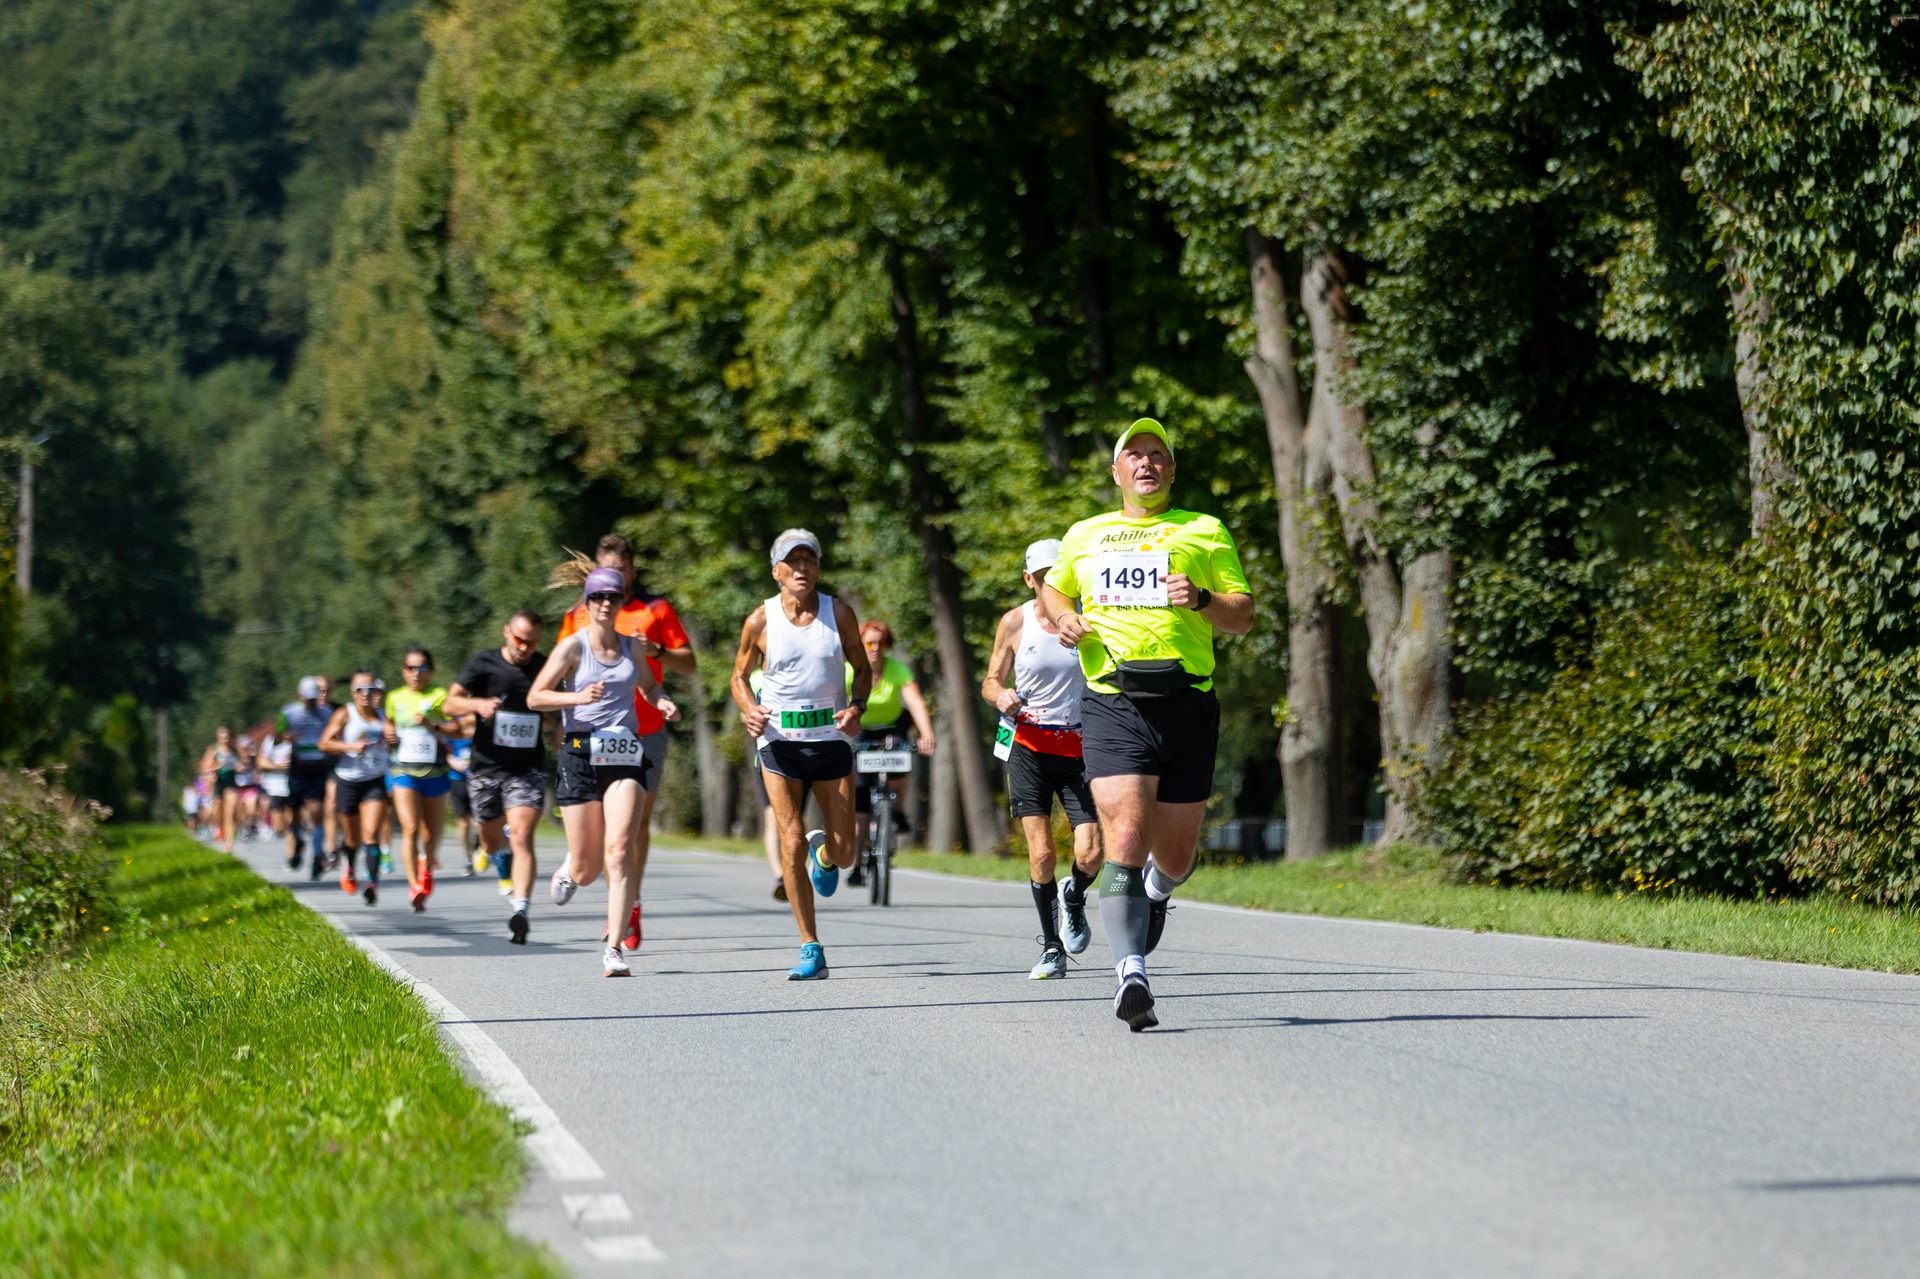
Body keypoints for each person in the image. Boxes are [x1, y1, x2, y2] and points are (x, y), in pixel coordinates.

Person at [1038, 418, 1255, 1030]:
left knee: (1176, 857)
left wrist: (1204, 600)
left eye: (1157, 454)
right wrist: (1064, 617)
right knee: (1127, 834)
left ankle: (1158, 891)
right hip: (1114, 702)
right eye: (1133, 455)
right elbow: (1054, 592)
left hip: (1187, 703)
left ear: (1172, 469)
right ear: (1116, 472)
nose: (1145, 463)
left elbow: (1243, 616)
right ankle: (1131, 974)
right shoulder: (1085, 534)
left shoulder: (1204, 530)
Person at [729, 529, 872, 981]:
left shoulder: (839, 613)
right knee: (789, 841)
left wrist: (856, 707)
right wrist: (750, 710)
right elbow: (739, 676)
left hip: (831, 739)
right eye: (792, 562)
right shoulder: (760, 620)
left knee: (846, 854)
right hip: (779, 742)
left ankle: (824, 854)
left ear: (819, 567)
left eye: (809, 560)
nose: (802, 569)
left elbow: (862, 667)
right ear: (777, 571)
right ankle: (811, 946)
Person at [531, 569, 679, 977]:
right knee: (588, 869)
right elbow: (535, 697)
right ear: (587, 602)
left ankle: (614, 948)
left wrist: (662, 701)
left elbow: (649, 687)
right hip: (579, 753)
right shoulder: (571, 648)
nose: (606, 603)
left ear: (620, 602)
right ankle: (570, 868)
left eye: (613, 596)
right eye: (598, 597)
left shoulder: (631, 646)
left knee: (619, 852)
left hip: (624, 753)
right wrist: (577, 697)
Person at [554, 533, 695, 949]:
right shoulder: (579, 613)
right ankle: (581, 862)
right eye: (606, 571)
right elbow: (561, 672)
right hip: (587, 734)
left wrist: (659, 653)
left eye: (620, 570)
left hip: (642, 731)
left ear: (632, 570)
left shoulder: (656, 609)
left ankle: (629, 905)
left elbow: (689, 664)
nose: (613, 579)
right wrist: (561, 720)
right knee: (597, 826)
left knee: (633, 828)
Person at [982, 537, 1104, 980]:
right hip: (1028, 748)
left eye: (1058, 575)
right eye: (1042, 577)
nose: (1051, 583)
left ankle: (1074, 897)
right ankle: (1052, 948)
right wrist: (1001, 696)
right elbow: (990, 681)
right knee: (1043, 855)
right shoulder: (1014, 622)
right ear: (1028, 579)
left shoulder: (1091, 619)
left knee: (1092, 853)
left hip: (1079, 750)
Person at [446, 609, 552, 945]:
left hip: (526, 767)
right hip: (486, 767)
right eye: (519, 639)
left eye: (532, 642)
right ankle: (498, 852)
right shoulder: (484, 663)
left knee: (522, 834)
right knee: (492, 840)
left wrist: (556, 725)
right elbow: (450, 703)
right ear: (507, 632)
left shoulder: (545, 666)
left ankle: (521, 910)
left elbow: (558, 707)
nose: (524, 647)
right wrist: (477, 705)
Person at [843, 621, 934, 887]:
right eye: (869, 643)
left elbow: (916, 703)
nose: (875, 648)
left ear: (887, 646)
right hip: (861, 727)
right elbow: (836, 699)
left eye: (880, 643)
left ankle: (898, 811)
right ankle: (857, 865)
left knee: (900, 759)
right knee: (861, 798)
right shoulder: (849, 670)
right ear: (860, 645)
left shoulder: (897, 669)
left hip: (892, 726)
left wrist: (926, 734)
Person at [385, 647, 457, 913]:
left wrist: (432, 726)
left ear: (431, 671)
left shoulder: (439, 695)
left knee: (431, 833)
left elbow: (456, 727)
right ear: (404, 671)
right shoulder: (394, 697)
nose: (416, 673)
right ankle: (415, 884)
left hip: (435, 772)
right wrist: (389, 733)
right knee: (411, 829)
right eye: (411, 668)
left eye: (422, 668)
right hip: (404, 771)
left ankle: (427, 862)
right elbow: (389, 723)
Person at [320, 671, 391, 906]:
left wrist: (393, 741)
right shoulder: (345, 713)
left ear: (376, 691)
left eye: (370, 689)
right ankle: (349, 865)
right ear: (353, 693)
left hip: (374, 780)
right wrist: (350, 746)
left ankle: (372, 884)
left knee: (371, 833)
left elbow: (392, 742)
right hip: (348, 781)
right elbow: (324, 743)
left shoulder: (383, 716)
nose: (365, 694)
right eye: (360, 690)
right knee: (352, 839)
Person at [198, 726, 245, 853]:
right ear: (218, 736)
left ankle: (229, 842)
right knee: (218, 815)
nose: (224, 737)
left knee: (230, 811)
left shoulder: (234, 750)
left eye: (226, 734)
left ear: (229, 736)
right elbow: (204, 768)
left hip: (231, 782)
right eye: (222, 734)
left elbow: (243, 762)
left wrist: (240, 767)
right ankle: (219, 830)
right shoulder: (213, 749)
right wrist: (217, 767)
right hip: (219, 783)